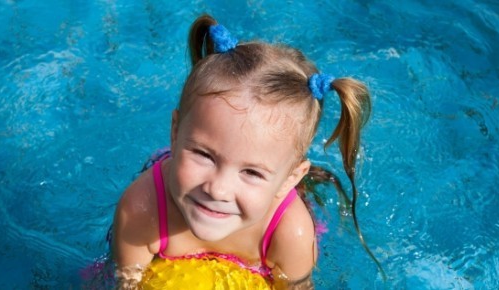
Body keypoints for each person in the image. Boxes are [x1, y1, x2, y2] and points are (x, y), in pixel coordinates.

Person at [112, 13, 378, 289]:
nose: (218, 190)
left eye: (251, 172)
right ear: (175, 132)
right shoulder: (141, 209)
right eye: (204, 155)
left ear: (289, 179)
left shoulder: (291, 233)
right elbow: (126, 283)